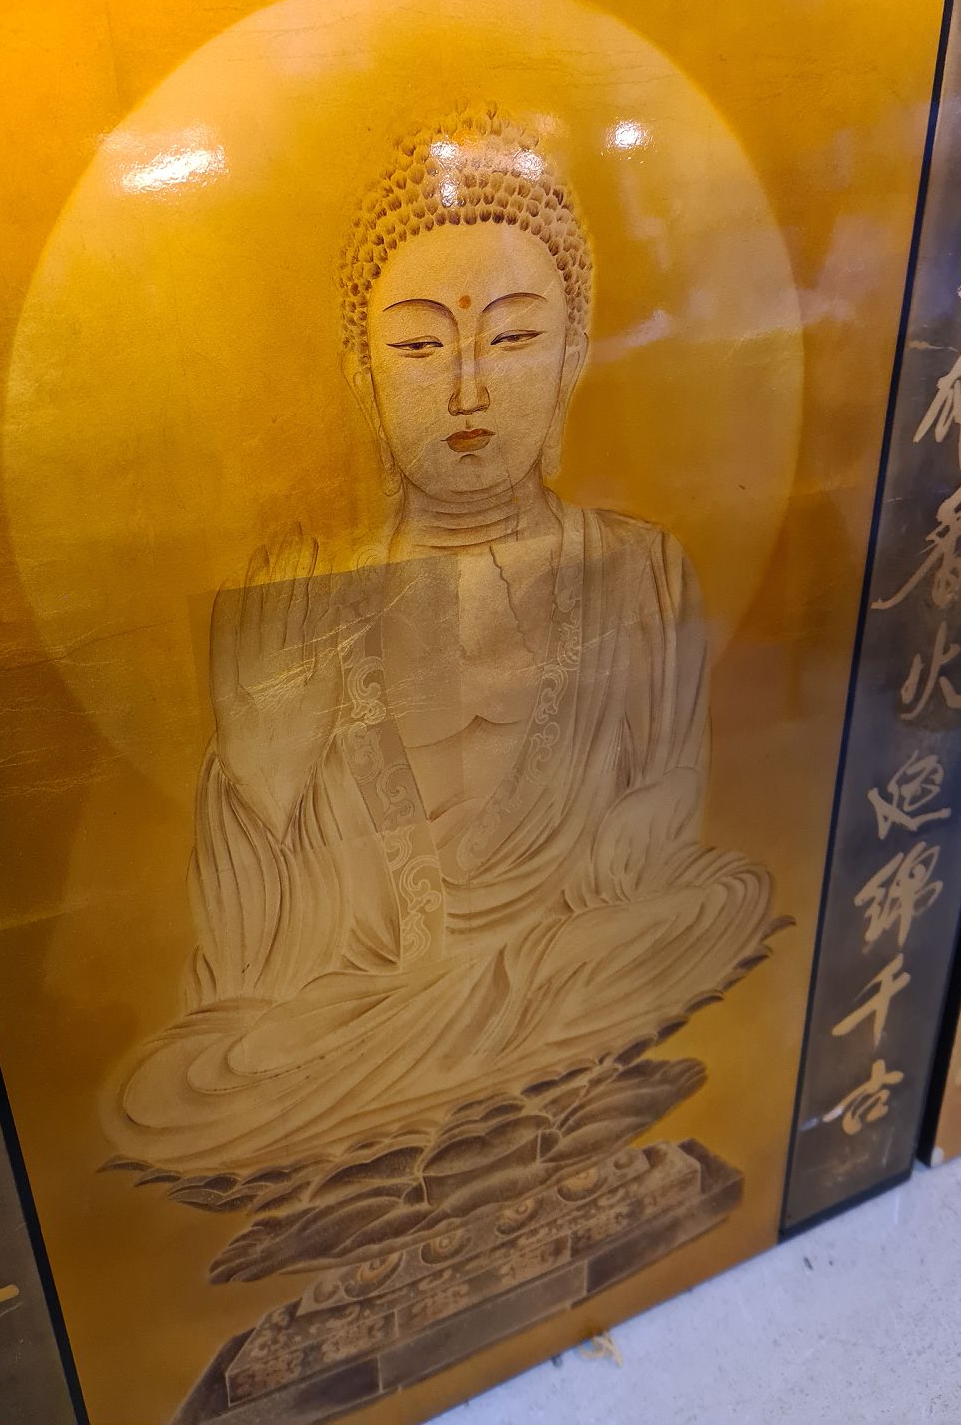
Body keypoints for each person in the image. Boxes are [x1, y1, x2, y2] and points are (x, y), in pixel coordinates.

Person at [107, 109, 776, 1176]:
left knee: (721, 901)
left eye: (512, 339)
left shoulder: (646, 569)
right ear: (359, 366)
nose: (468, 390)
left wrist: (615, 860)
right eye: (419, 346)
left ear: (574, 353)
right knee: (190, 1082)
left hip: (580, 963)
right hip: (354, 1023)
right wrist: (263, 789)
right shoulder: (297, 598)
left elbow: (669, 814)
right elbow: (242, 957)